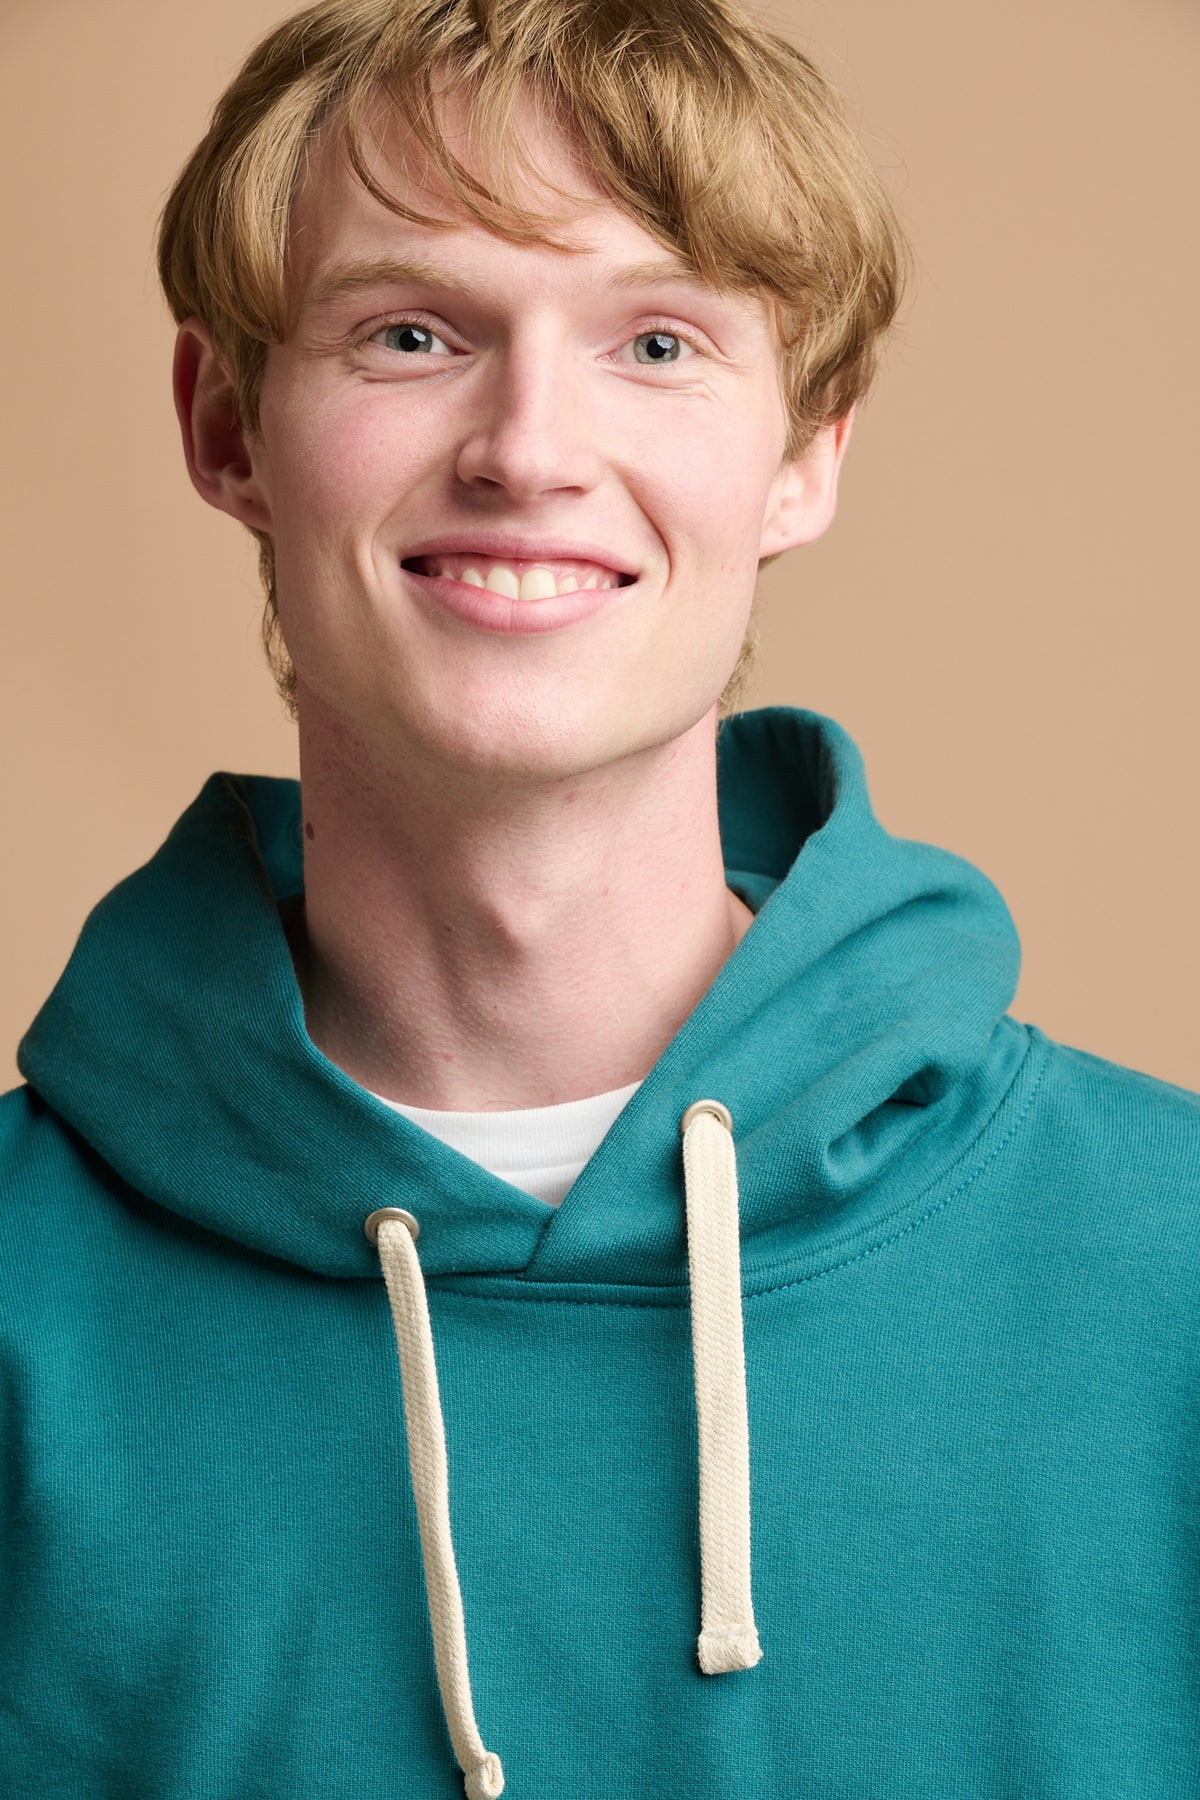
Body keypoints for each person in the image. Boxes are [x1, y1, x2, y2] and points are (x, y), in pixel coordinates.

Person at [3, 0, 1198, 1794]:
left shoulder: (1174, 1269)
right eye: (412, 332)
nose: (527, 448)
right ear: (227, 428)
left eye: (655, 341)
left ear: (804, 455)